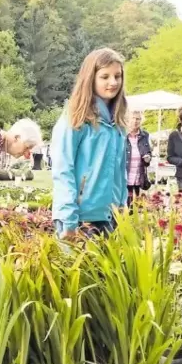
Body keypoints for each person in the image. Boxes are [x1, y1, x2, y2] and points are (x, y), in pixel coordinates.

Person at [52, 47, 128, 240]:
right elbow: (63, 169)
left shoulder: (118, 123)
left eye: (117, 76)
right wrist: (68, 218)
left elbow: (120, 171)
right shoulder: (76, 118)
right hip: (79, 218)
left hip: (110, 217)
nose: (113, 82)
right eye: (105, 77)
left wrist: (122, 207)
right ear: (90, 78)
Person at [125, 110, 152, 205]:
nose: (135, 121)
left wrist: (148, 158)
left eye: (138, 119)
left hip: (138, 176)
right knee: (124, 204)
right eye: (133, 118)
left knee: (135, 205)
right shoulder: (122, 134)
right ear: (128, 119)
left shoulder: (145, 135)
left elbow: (148, 152)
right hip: (124, 176)